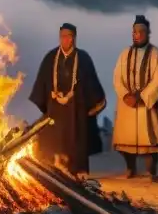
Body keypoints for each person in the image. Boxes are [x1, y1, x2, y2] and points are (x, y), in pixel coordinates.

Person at [29, 23, 107, 177]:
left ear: (74, 38)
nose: (65, 40)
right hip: (55, 108)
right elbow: (42, 82)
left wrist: (88, 101)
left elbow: (91, 83)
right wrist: (50, 98)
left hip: (76, 109)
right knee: (54, 137)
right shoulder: (51, 57)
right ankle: (55, 170)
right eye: (62, 36)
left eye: (69, 36)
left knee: (77, 138)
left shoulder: (83, 58)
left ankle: (79, 171)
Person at [111, 15, 158, 180]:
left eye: (140, 32)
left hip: (147, 104)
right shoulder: (124, 54)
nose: (136, 35)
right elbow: (117, 77)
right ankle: (130, 168)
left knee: (151, 141)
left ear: (148, 32)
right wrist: (125, 95)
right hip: (127, 104)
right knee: (125, 141)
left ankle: (151, 169)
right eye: (134, 32)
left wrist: (142, 96)